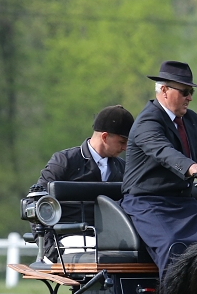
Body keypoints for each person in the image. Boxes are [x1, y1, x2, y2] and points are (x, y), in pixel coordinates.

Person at [120, 60, 197, 276]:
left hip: (184, 203)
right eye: (185, 91)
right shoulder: (147, 122)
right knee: (173, 246)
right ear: (164, 90)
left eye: (191, 91)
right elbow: (166, 153)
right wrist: (195, 170)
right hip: (148, 204)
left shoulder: (192, 120)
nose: (190, 97)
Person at [34, 104, 135, 260]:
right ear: (104, 137)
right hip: (69, 239)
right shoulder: (64, 162)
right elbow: (35, 202)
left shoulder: (123, 168)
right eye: (122, 142)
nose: (126, 148)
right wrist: (50, 250)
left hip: (112, 239)